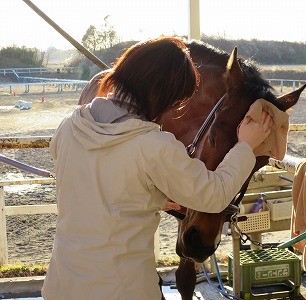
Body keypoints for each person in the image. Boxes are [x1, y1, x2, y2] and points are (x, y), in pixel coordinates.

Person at [42, 36, 273, 300]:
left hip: (61, 285)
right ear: (164, 94)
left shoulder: (68, 127)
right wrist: (246, 145)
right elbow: (214, 195)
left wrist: (147, 197)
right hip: (123, 291)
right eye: (178, 100)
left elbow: (94, 183)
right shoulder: (153, 145)